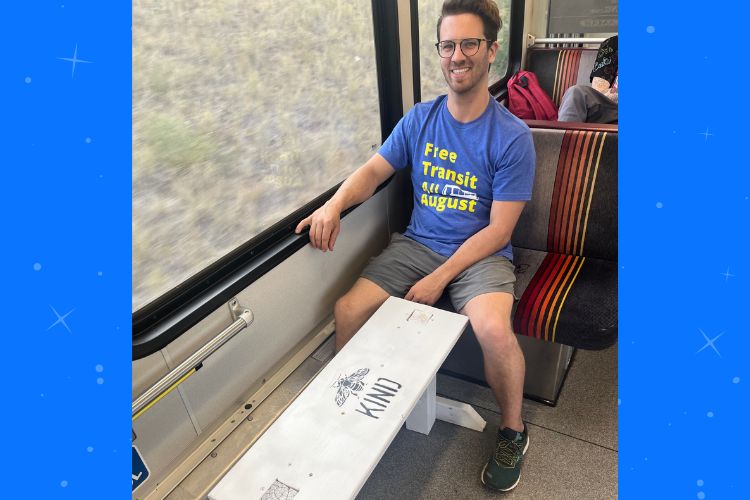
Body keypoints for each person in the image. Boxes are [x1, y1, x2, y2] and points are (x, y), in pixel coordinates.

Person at [295, 0, 535, 492]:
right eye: (448, 45)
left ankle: (514, 430)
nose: (457, 56)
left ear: (492, 51)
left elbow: (499, 231)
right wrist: (334, 207)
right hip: (419, 243)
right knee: (347, 310)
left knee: (492, 329)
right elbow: (372, 171)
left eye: (470, 44)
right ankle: (347, 411)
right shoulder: (420, 120)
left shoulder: (512, 138)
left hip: (481, 253)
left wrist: (440, 278)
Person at [557, 35, 618, 123]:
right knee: (577, 92)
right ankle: (562, 135)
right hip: (613, 111)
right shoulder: (614, 44)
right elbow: (599, 92)